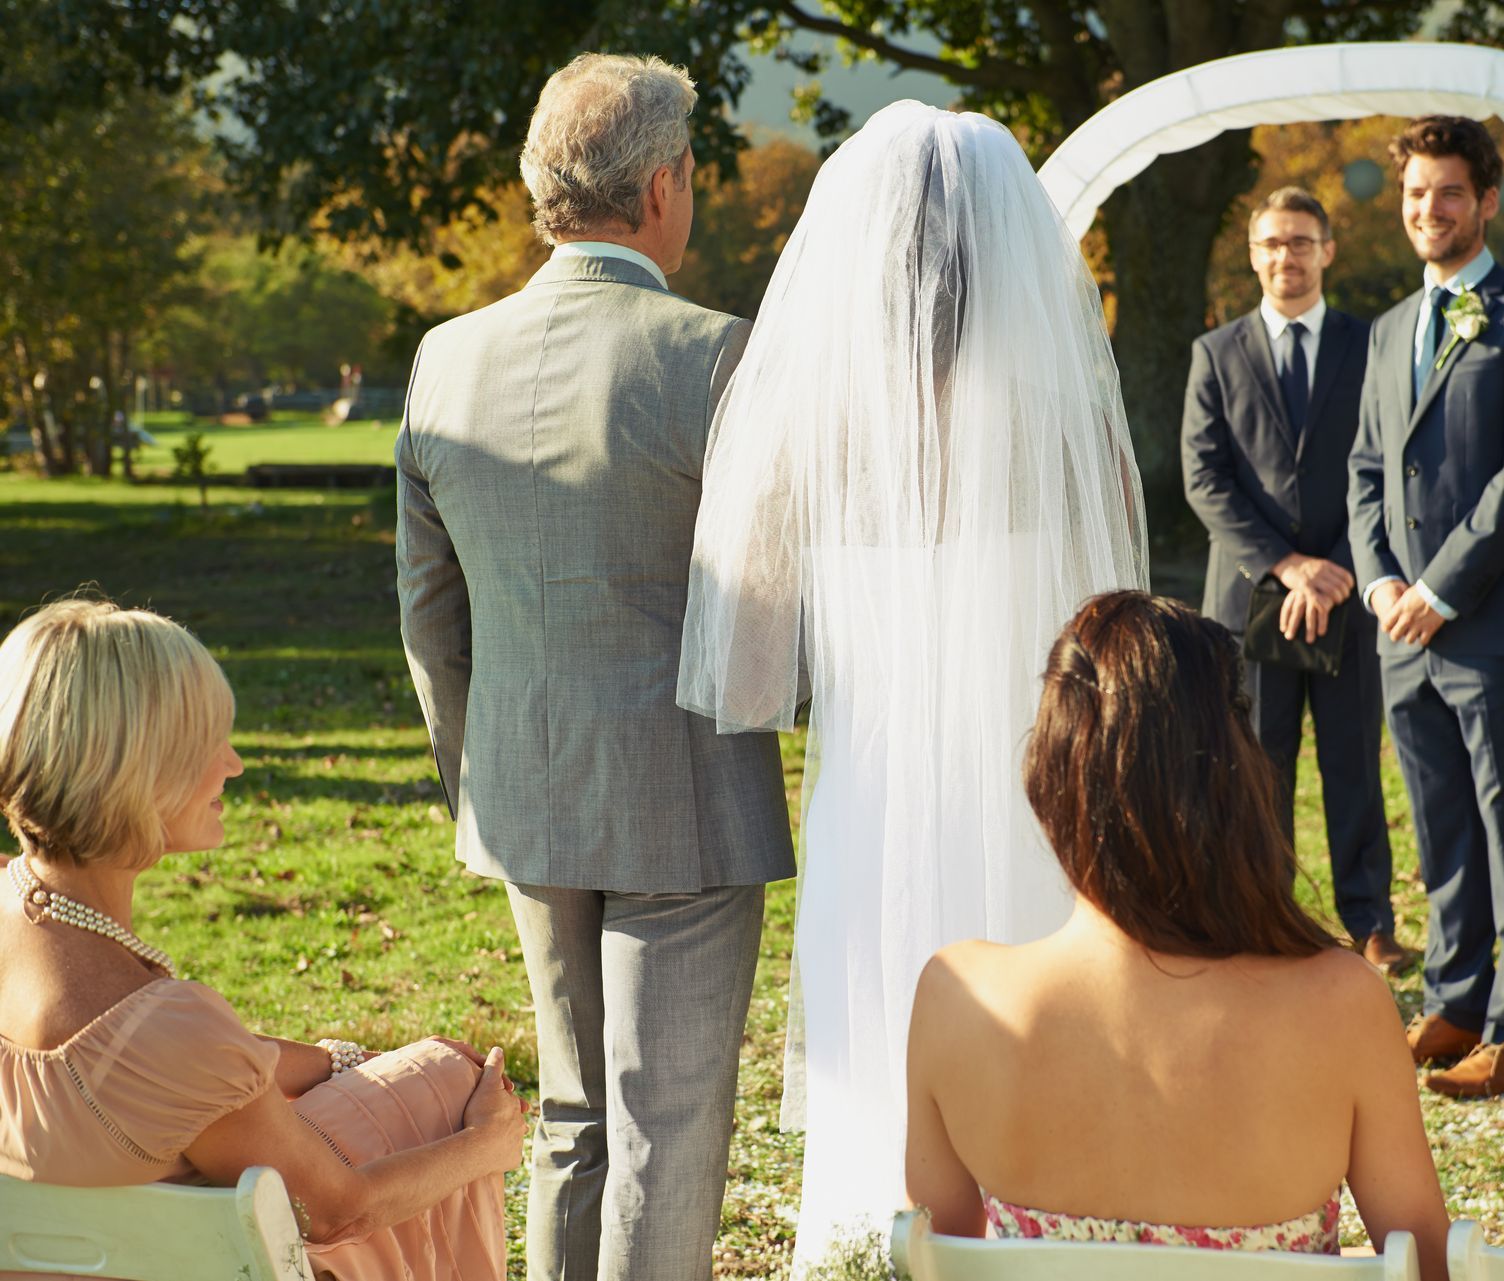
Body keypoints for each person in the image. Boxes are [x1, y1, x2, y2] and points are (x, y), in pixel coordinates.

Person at [676, 101, 1147, 1266]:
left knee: (887, 1037)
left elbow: (745, 667)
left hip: (878, 797)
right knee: (1043, 1036)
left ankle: (873, 1246)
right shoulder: (1066, 420)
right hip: (1040, 797)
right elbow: (1123, 636)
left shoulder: (811, 439)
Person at [394, 54, 794, 1281]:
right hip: (685, 794)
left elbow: (427, 612)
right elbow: (779, 599)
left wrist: (478, 779)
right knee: (666, 1135)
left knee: (573, 1116)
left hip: (523, 786)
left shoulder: (445, 359)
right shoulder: (718, 358)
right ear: (666, 185)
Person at [903, 592, 1451, 1280]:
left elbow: (939, 1259)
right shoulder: (1344, 1005)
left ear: (1050, 774)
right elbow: (1430, 1267)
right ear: (1237, 779)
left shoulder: (959, 999)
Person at [0, 598, 525, 1281]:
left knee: (424, 1074)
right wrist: (488, 1142)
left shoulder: (38, 931)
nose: (236, 762)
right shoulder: (166, 1027)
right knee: (447, 1086)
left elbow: (176, 1070)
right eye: (208, 742)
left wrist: (343, 1060)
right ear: (135, 772)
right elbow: (339, 1210)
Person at [1346, 116, 1504, 1099]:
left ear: (1486, 202)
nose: (1428, 211)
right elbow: (1364, 469)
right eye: (1413, 196)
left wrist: (1443, 586)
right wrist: (1384, 583)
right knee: (1442, 826)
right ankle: (1453, 999)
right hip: (1402, 630)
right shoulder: (1390, 328)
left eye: (1447, 193)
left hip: (1490, 624)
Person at [1182, 185, 1409, 975]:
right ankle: (1262, 910)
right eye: (1273, 243)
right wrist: (1289, 566)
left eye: (1302, 241)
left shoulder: (1372, 343)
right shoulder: (1215, 353)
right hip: (1254, 598)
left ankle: (1370, 919)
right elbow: (1205, 479)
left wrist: (1340, 565)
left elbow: (1384, 459)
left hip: (1351, 588)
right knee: (1256, 762)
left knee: (1353, 759)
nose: (1288, 256)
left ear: (1328, 249)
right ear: (1253, 254)